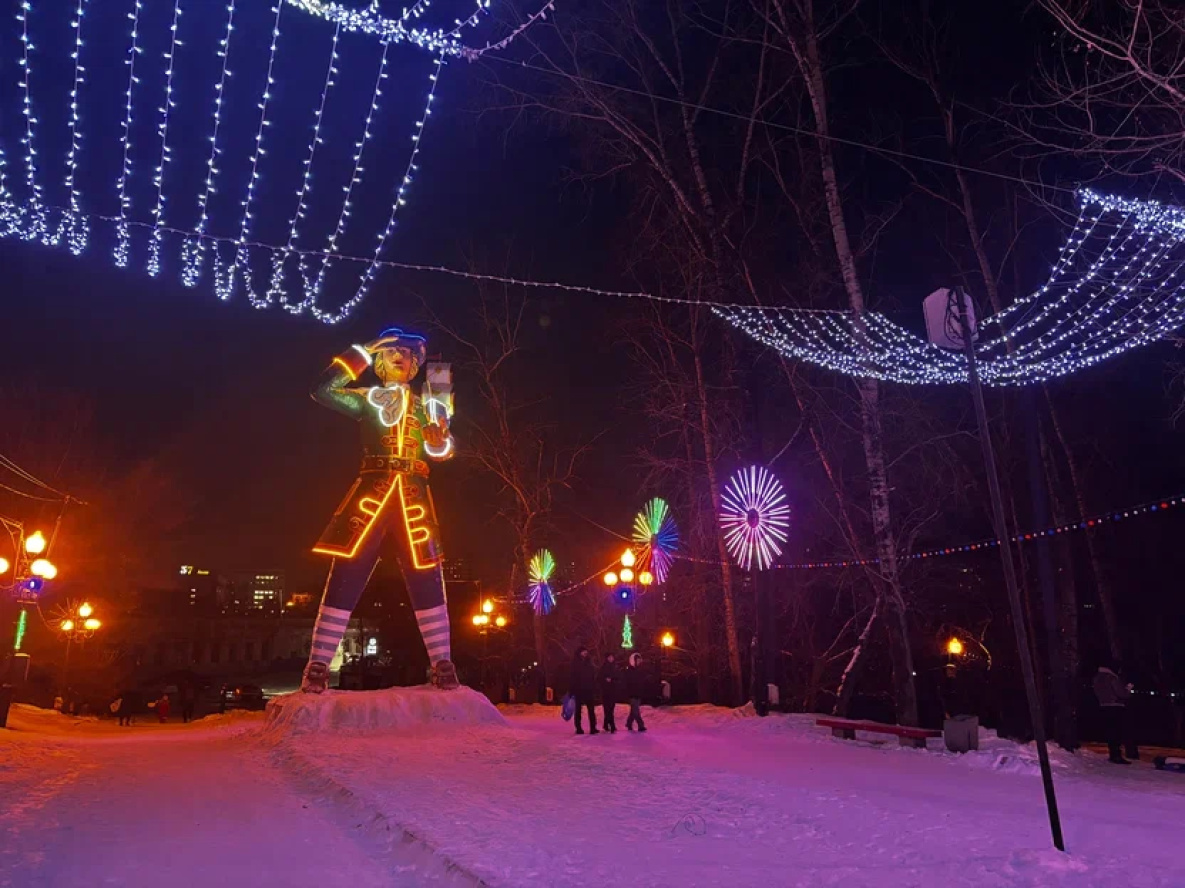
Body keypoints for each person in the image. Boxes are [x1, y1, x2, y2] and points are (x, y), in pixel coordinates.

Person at [301, 328, 459, 693]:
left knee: (427, 576)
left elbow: (444, 451)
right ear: (379, 362)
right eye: (390, 352)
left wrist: (438, 443)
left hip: (414, 502)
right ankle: (318, 665)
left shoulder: (429, 406)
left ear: (416, 366)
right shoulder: (367, 400)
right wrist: (362, 350)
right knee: (346, 574)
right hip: (371, 499)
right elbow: (322, 389)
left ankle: (443, 663)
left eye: (407, 352)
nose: (400, 356)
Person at [1093, 660, 1132, 764]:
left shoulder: (1097, 678)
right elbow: (1121, 693)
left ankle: (1113, 754)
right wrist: (1128, 690)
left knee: (1110, 731)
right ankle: (1116, 755)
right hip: (1115, 705)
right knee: (1116, 731)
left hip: (1103, 705)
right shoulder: (1112, 678)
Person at [569, 646, 598, 735]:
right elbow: (572, 677)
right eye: (583, 651)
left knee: (591, 709)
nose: (585, 653)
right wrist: (572, 690)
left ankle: (593, 727)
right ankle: (578, 728)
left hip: (588, 689)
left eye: (586, 651)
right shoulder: (575, 663)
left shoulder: (589, 662)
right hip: (579, 689)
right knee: (578, 709)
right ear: (579, 653)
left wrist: (593, 686)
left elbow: (592, 675)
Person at [625, 652, 647, 733]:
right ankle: (641, 725)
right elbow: (627, 682)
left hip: (638, 693)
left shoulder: (640, 670)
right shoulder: (629, 670)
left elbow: (641, 681)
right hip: (632, 693)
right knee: (636, 710)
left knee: (633, 710)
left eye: (639, 660)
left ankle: (629, 723)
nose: (638, 662)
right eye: (637, 660)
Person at [598, 653, 619, 733]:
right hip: (605, 691)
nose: (611, 659)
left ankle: (606, 724)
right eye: (609, 657)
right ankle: (612, 725)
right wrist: (605, 680)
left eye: (612, 657)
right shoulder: (603, 668)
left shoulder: (615, 667)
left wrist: (612, 680)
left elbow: (618, 678)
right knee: (607, 708)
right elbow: (599, 678)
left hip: (613, 690)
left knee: (611, 708)